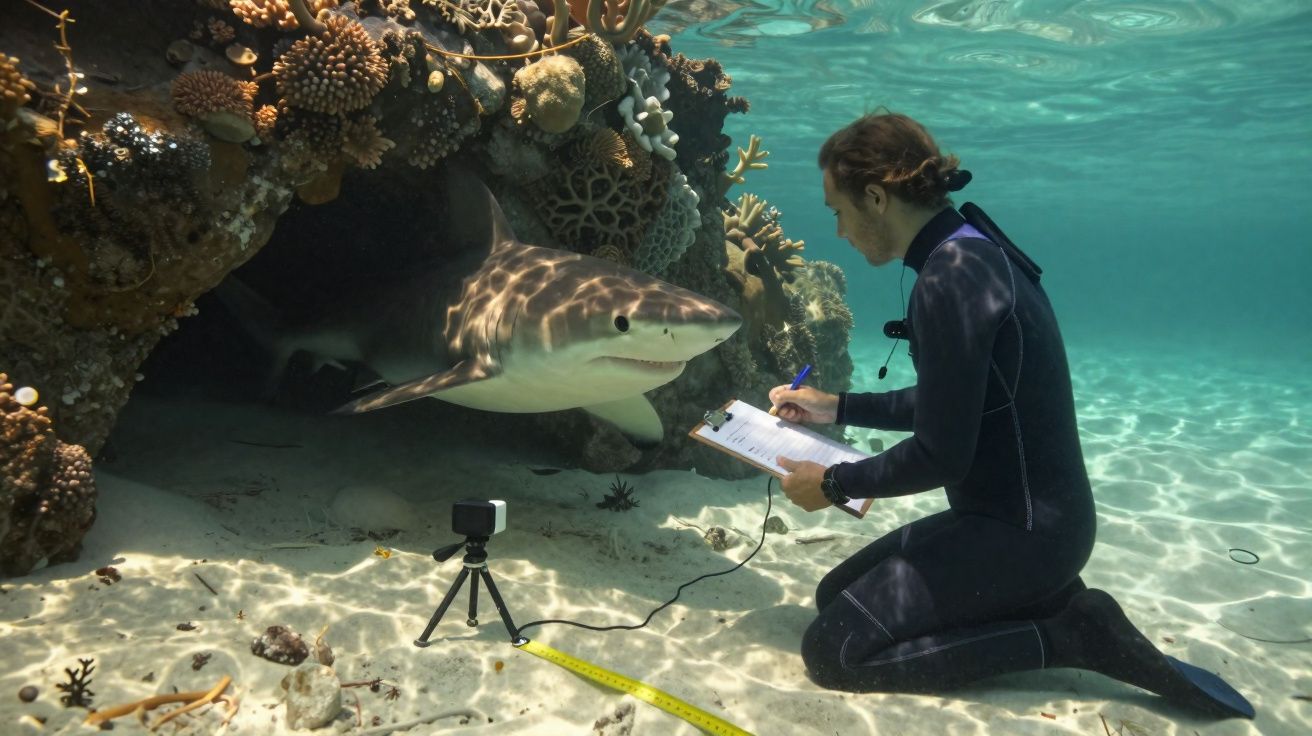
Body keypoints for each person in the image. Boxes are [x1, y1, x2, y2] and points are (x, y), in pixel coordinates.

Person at [769, 111, 1253, 719]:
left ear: (875, 196)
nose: (839, 231)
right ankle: (1042, 601)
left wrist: (834, 484)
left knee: (833, 651)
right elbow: (957, 403)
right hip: (1013, 522)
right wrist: (834, 406)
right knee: (832, 595)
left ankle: (1069, 634)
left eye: (837, 211)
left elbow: (943, 452)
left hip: (1027, 535)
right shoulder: (971, 248)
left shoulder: (950, 279)